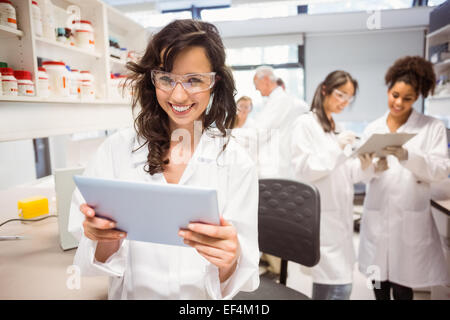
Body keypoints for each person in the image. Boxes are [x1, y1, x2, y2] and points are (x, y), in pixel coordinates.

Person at [67, 19, 260, 300]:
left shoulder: (236, 162)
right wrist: (101, 238)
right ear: (152, 78)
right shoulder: (116, 150)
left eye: (194, 80)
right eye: (167, 79)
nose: (178, 94)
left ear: (214, 82)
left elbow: (241, 277)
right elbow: (89, 254)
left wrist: (230, 259)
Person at [358, 56, 450, 300]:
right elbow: (362, 176)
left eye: (407, 98)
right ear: (388, 89)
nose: (398, 102)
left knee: (402, 286)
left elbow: (441, 169)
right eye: (394, 95)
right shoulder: (373, 128)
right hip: (378, 215)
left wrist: (409, 156)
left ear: (417, 97)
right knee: (378, 282)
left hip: (409, 217)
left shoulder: (432, 127)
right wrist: (369, 167)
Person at [290, 70, 375, 300]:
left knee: (333, 286)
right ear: (325, 90)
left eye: (349, 98)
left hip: (340, 218)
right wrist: (336, 147)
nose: (344, 102)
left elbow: (346, 174)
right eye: (340, 95)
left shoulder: (333, 126)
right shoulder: (305, 123)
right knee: (337, 287)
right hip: (322, 220)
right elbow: (304, 169)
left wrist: (368, 164)